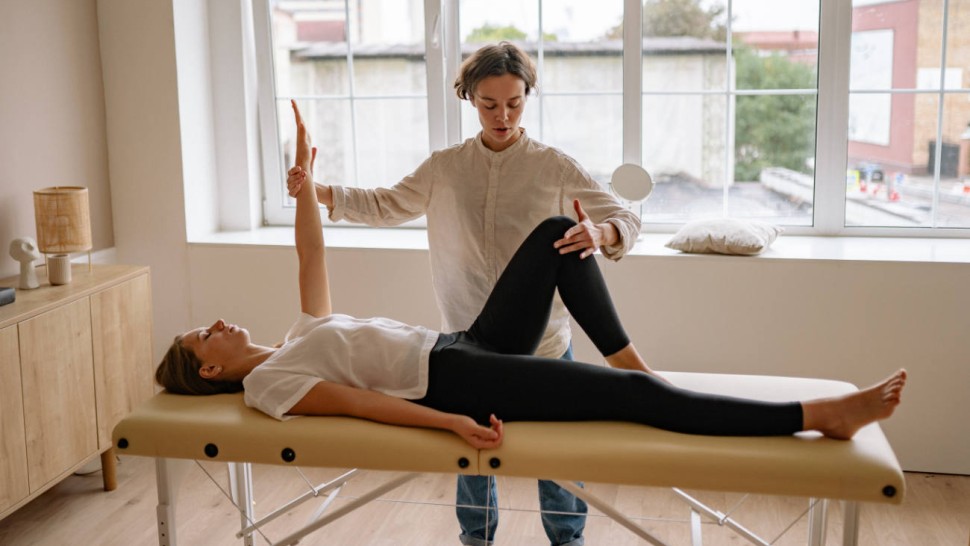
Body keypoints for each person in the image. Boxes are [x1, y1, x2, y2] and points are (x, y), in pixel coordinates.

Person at [157, 103, 907, 540]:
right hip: (450, 381)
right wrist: (449, 425)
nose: (216, 321)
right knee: (637, 405)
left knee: (561, 234)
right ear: (212, 370)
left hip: (463, 346)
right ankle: (814, 415)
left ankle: (629, 359)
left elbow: (307, 258)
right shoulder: (271, 387)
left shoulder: (294, 340)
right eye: (204, 334)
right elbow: (359, 405)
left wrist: (306, 183)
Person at [285, 41, 641, 546]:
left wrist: (601, 235)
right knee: (472, 449)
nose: (503, 115)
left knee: (557, 457)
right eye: (489, 104)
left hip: (546, 344)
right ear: (469, 98)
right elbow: (385, 204)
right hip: (471, 343)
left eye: (514, 103)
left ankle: (569, 540)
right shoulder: (445, 167)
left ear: (527, 96)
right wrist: (313, 189)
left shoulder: (555, 168)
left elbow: (625, 215)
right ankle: (476, 538)